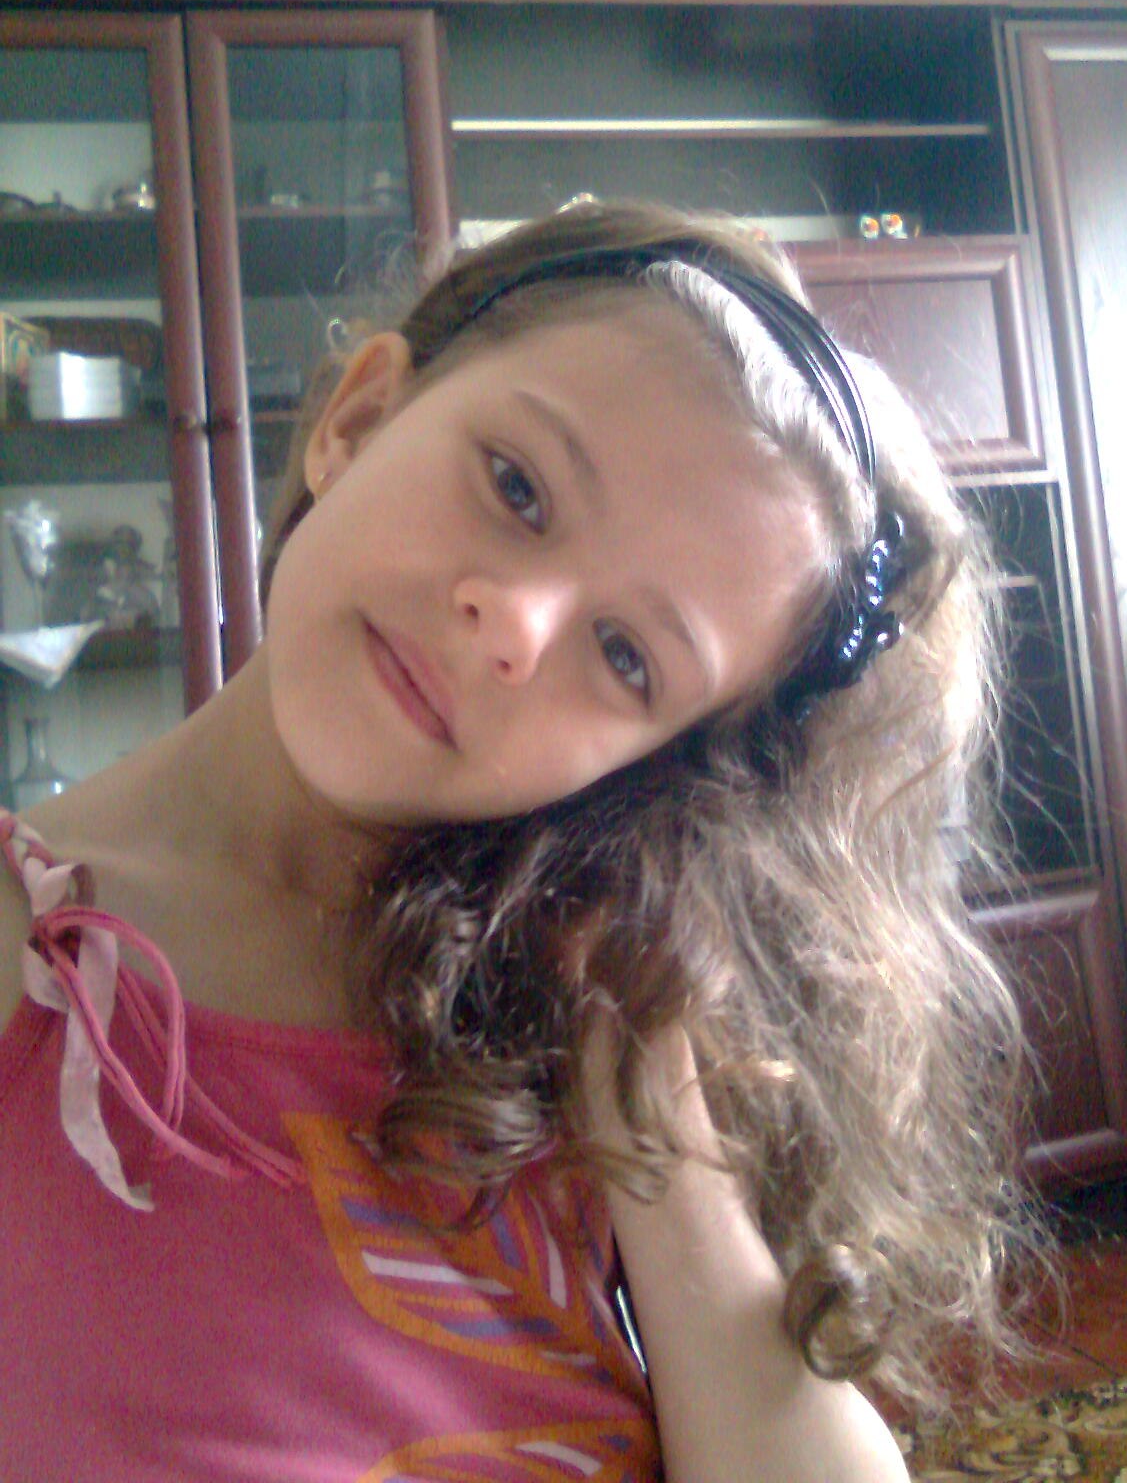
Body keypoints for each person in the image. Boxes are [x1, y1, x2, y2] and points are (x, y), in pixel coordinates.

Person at [0, 198, 1038, 1482]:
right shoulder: (34, 959)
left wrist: (644, 1102)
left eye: (626, 656)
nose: (515, 622)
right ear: (357, 419)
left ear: (646, 768)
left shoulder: (592, 1036)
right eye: (517, 486)